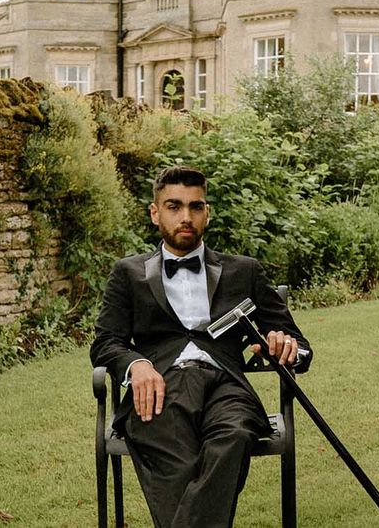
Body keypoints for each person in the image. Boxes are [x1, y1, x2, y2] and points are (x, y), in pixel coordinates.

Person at [90, 165, 312, 528]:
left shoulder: (245, 271)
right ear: (155, 212)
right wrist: (136, 365)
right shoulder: (127, 273)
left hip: (227, 388)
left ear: (207, 213)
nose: (186, 216)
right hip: (160, 388)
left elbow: (299, 347)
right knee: (172, 450)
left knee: (235, 434)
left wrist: (285, 347)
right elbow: (106, 343)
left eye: (195, 207)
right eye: (174, 206)